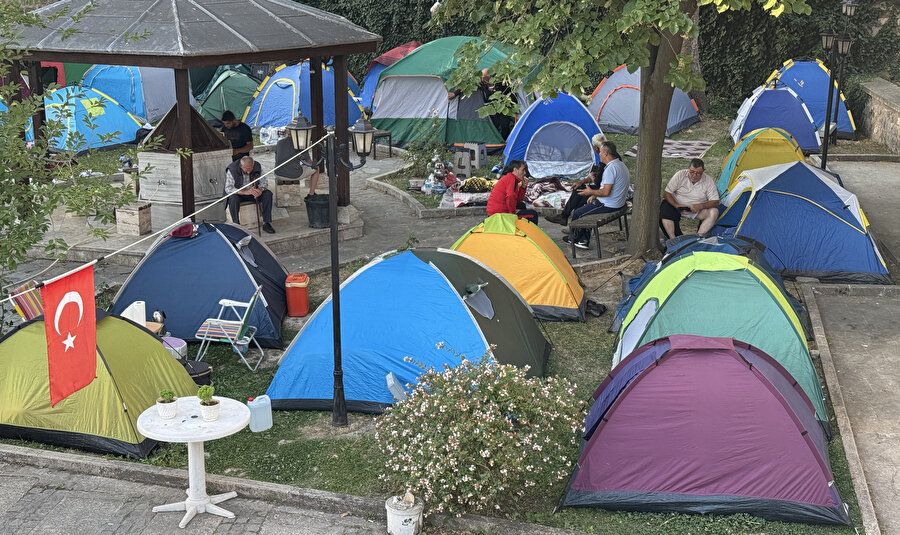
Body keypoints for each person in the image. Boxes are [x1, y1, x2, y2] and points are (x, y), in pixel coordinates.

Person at [563, 141, 629, 250]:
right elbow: (607, 189)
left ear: (606, 154)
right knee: (585, 209)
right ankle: (583, 238)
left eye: (601, 152)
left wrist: (591, 192)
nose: (599, 155)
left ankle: (577, 239)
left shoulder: (611, 169)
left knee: (578, 213)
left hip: (609, 205)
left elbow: (606, 192)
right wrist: (594, 196)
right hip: (617, 202)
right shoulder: (620, 165)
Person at [546, 133, 608, 226]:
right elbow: (598, 175)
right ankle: (570, 222)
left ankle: (567, 219)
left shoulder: (605, 159)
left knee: (579, 193)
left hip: (604, 191)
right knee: (579, 190)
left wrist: (591, 177)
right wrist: (582, 181)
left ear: (596, 148)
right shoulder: (606, 156)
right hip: (603, 187)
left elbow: (598, 181)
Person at [659, 158, 719, 240]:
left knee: (714, 212)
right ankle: (673, 239)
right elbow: (666, 193)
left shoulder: (708, 180)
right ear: (688, 169)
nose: (694, 175)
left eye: (698, 173)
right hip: (677, 206)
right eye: (692, 172)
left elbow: (715, 202)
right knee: (665, 206)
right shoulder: (680, 175)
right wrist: (677, 205)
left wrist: (701, 206)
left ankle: (698, 238)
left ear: (703, 172)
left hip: (696, 210)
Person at [225, 156, 275, 234]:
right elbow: (228, 188)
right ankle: (237, 225)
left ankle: (266, 223)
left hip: (253, 192)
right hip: (240, 194)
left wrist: (260, 190)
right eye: (246, 169)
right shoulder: (232, 169)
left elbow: (264, 182)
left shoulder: (257, 166)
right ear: (241, 166)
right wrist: (245, 192)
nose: (248, 172)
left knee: (268, 194)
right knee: (233, 199)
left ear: (253, 164)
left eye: (250, 168)